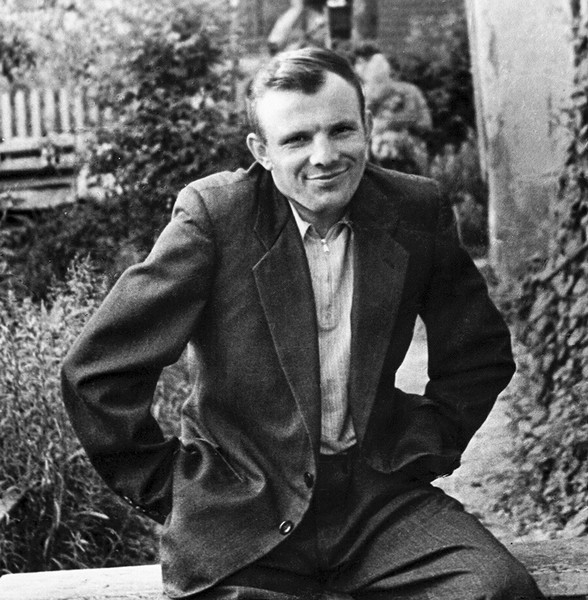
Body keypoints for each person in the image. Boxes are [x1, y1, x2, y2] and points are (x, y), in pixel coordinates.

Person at [61, 48, 544, 599]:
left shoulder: (414, 208)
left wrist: (426, 443)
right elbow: (99, 372)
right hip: (241, 509)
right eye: (296, 139)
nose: (325, 156)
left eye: (341, 130)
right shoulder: (216, 217)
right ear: (261, 151)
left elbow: (479, 351)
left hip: (376, 502)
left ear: (367, 127)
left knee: (496, 590)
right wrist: (172, 489)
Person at [353, 43, 432, 174]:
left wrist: (387, 124)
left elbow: (424, 123)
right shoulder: (359, 97)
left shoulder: (408, 91)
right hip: (375, 163)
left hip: (407, 158)